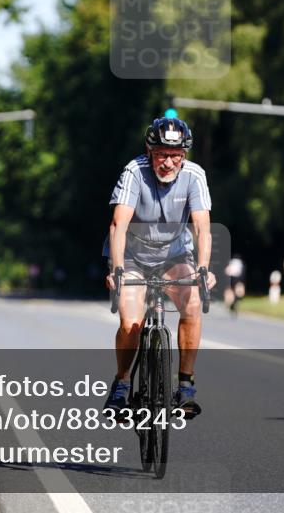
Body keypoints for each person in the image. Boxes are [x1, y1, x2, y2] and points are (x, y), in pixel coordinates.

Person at [103, 117, 217, 418]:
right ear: (149, 151)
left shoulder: (194, 175)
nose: (168, 162)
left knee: (192, 303)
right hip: (132, 257)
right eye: (161, 155)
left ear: (185, 155)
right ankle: (123, 383)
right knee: (130, 323)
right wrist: (116, 270)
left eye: (176, 155)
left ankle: (186, 384)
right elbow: (118, 225)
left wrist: (203, 269)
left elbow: (203, 228)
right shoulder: (134, 172)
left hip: (174, 256)